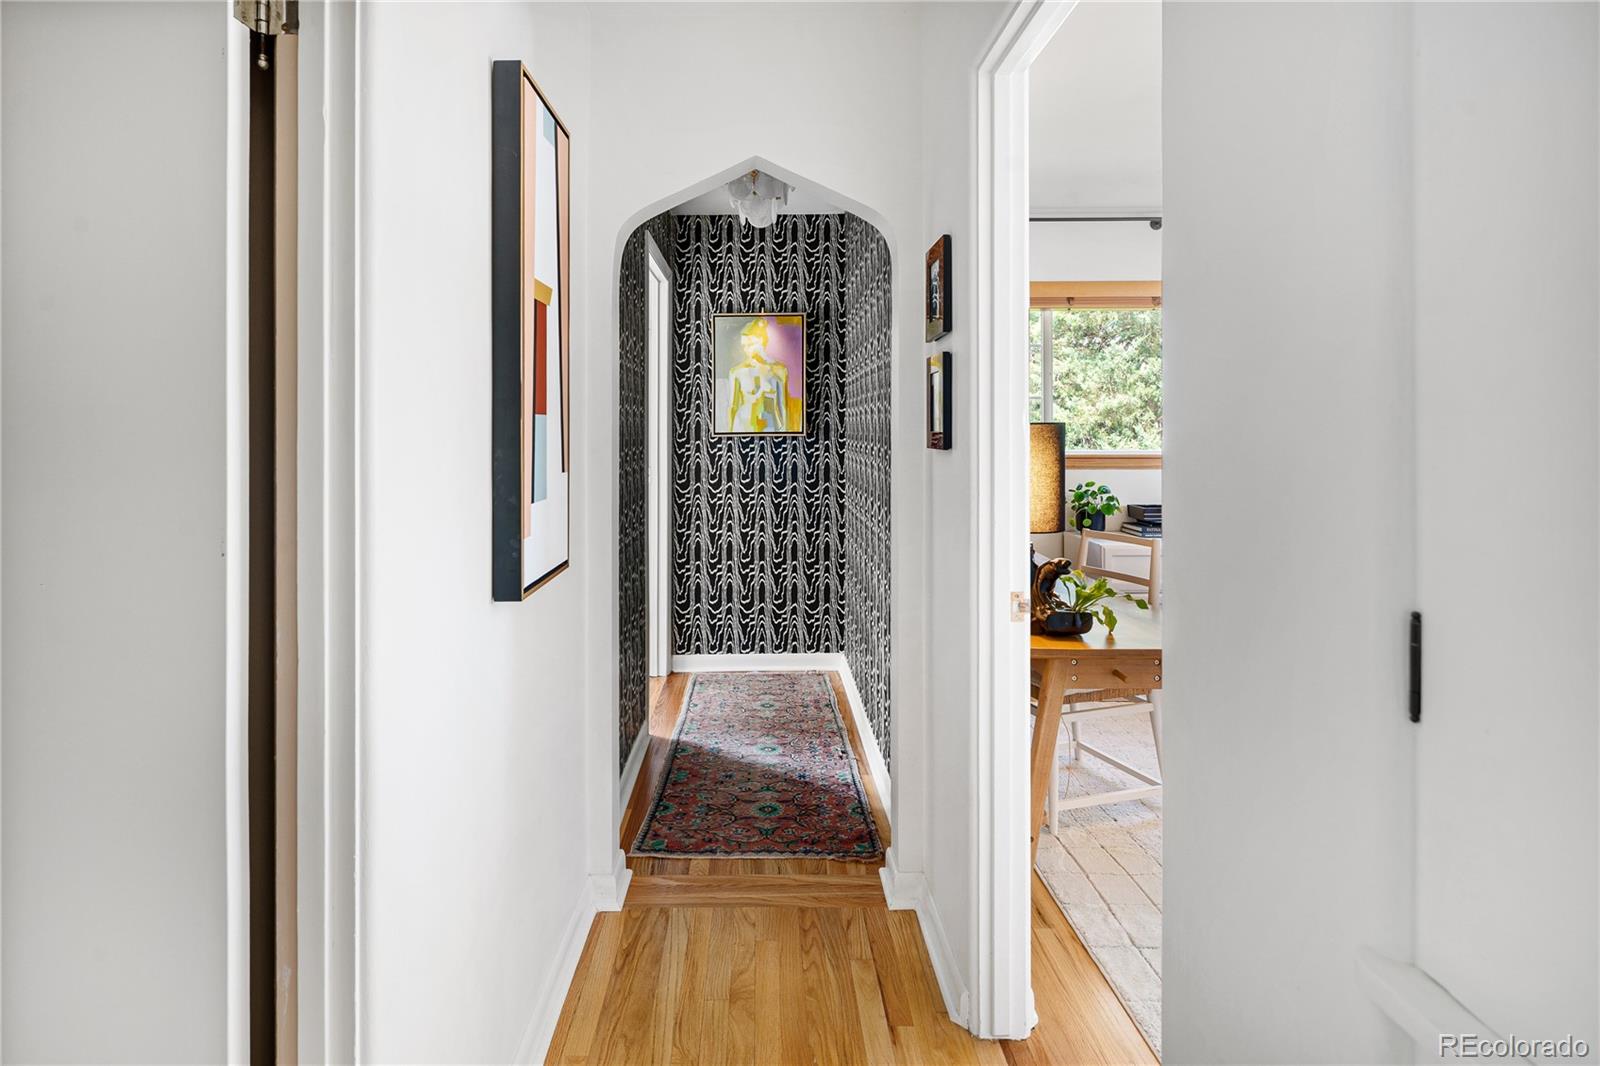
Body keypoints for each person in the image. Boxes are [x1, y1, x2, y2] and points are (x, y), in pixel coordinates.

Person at [727, 316, 792, 432]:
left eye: (750, 345)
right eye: (744, 346)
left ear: (761, 341)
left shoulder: (779, 371)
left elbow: (783, 406)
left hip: (770, 428)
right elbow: (733, 407)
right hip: (744, 428)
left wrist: (786, 432)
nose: (746, 349)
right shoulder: (737, 372)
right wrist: (729, 432)